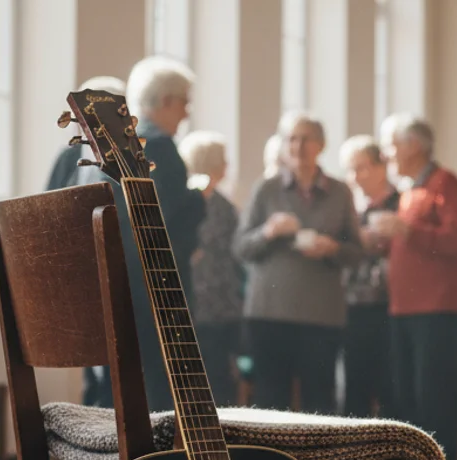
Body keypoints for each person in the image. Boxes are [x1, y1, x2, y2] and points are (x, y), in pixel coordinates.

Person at [76, 57, 207, 411]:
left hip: (107, 285)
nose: (186, 113)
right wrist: (199, 200)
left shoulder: (101, 150)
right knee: (158, 394)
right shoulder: (160, 148)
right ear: (165, 101)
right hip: (150, 293)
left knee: (112, 391)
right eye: (184, 103)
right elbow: (162, 224)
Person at [233, 112, 362, 413]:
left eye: (305, 139)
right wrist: (268, 232)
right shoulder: (266, 189)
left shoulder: (340, 192)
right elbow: (240, 247)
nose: (297, 146)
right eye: (291, 138)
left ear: (321, 145)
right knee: (270, 400)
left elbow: (356, 252)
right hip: (270, 312)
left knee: (320, 402)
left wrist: (332, 249)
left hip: (322, 316)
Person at [376, 113, 457, 460]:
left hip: (436, 310)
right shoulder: (409, 190)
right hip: (404, 309)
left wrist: (405, 230)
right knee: (408, 400)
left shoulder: (444, 183)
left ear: (414, 145)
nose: (388, 154)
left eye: (391, 144)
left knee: (436, 401)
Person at [51, 75, 125, 409]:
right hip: (82, 272)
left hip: (117, 271)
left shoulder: (124, 157)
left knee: (115, 371)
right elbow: (51, 208)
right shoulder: (67, 158)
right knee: (94, 374)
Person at [178, 130, 243, 406]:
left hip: (201, 302)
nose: (227, 165)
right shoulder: (215, 204)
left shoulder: (189, 199)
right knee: (215, 379)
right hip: (211, 304)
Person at [339, 134, 400, 418]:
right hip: (353, 304)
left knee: (391, 385)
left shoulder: (402, 202)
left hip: (391, 304)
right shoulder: (350, 209)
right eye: (350, 169)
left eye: (361, 167)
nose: (355, 176)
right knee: (355, 385)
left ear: (380, 166)